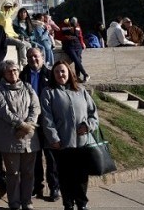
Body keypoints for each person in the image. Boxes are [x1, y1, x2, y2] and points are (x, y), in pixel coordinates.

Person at [40, 61, 99, 210]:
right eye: (57, 72)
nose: (60, 75)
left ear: (69, 72)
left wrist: (88, 126)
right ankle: (68, 204)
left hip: (82, 142)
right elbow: (47, 118)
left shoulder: (81, 90)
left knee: (81, 176)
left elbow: (93, 114)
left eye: (63, 71)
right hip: (62, 144)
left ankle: (82, 204)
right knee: (65, 177)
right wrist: (54, 138)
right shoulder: (49, 92)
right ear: (53, 75)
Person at [0, 59, 41, 210]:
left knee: (28, 172)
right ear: (4, 73)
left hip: (29, 138)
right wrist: (22, 125)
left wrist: (30, 124)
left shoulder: (27, 87)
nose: (12, 73)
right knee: (13, 173)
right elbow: (3, 110)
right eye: (9, 71)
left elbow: (35, 106)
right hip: (10, 138)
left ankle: (27, 201)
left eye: (15, 70)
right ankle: (14, 202)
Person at [20, 49, 60, 202]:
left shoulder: (51, 75)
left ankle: (54, 187)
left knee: (51, 157)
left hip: (47, 121)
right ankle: (37, 186)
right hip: (31, 122)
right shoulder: (22, 75)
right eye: (30, 56)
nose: (33, 59)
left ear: (42, 57)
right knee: (34, 157)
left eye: (35, 56)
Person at [0, 2, 30, 66]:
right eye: (6, 7)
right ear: (3, 7)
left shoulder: (9, 18)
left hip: (11, 37)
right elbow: (4, 17)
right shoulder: (0, 14)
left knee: (28, 44)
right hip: (4, 38)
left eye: (10, 7)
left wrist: (18, 35)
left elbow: (10, 30)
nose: (8, 9)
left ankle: (30, 61)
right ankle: (24, 64)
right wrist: (13, 8)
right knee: (21, 44)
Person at [55, 18, 89, 83]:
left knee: (78, 60)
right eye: (72, 24)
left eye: (75, 24)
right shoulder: (63, 25)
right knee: (76, 59)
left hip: (77, 45)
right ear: (69, 22)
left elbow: (80, 36)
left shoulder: (77, 25)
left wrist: (82, 44)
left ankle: (77, 76)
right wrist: (65, 37)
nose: (73, 25)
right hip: (68, 45)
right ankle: (85, 74)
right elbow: (57, 36)